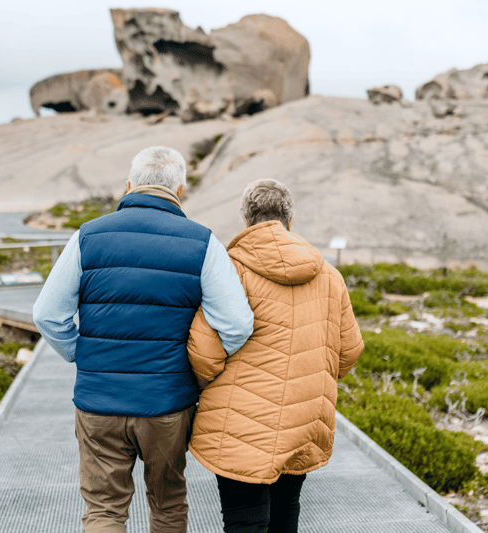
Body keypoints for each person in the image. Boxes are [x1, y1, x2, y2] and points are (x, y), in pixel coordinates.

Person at [32, 146, 254, 533]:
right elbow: (236, 324)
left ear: (129, 185)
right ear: (180, 190)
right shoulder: (202, 242)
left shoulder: (87, 236)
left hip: (98, 400)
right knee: (167, 503)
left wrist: (81, 353)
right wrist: (199, 371)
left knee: (104, 509)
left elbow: (47, 314)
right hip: (166, 402)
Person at [187, 179, 364, 533]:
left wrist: (207, 389)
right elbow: (349, 353)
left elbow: (203, 354)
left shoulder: (228, 269)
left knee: (245, 521)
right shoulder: (329, 275)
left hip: (239, 424)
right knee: (287, 511)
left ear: (245, 218)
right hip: (304, 420)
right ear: (290, 218)